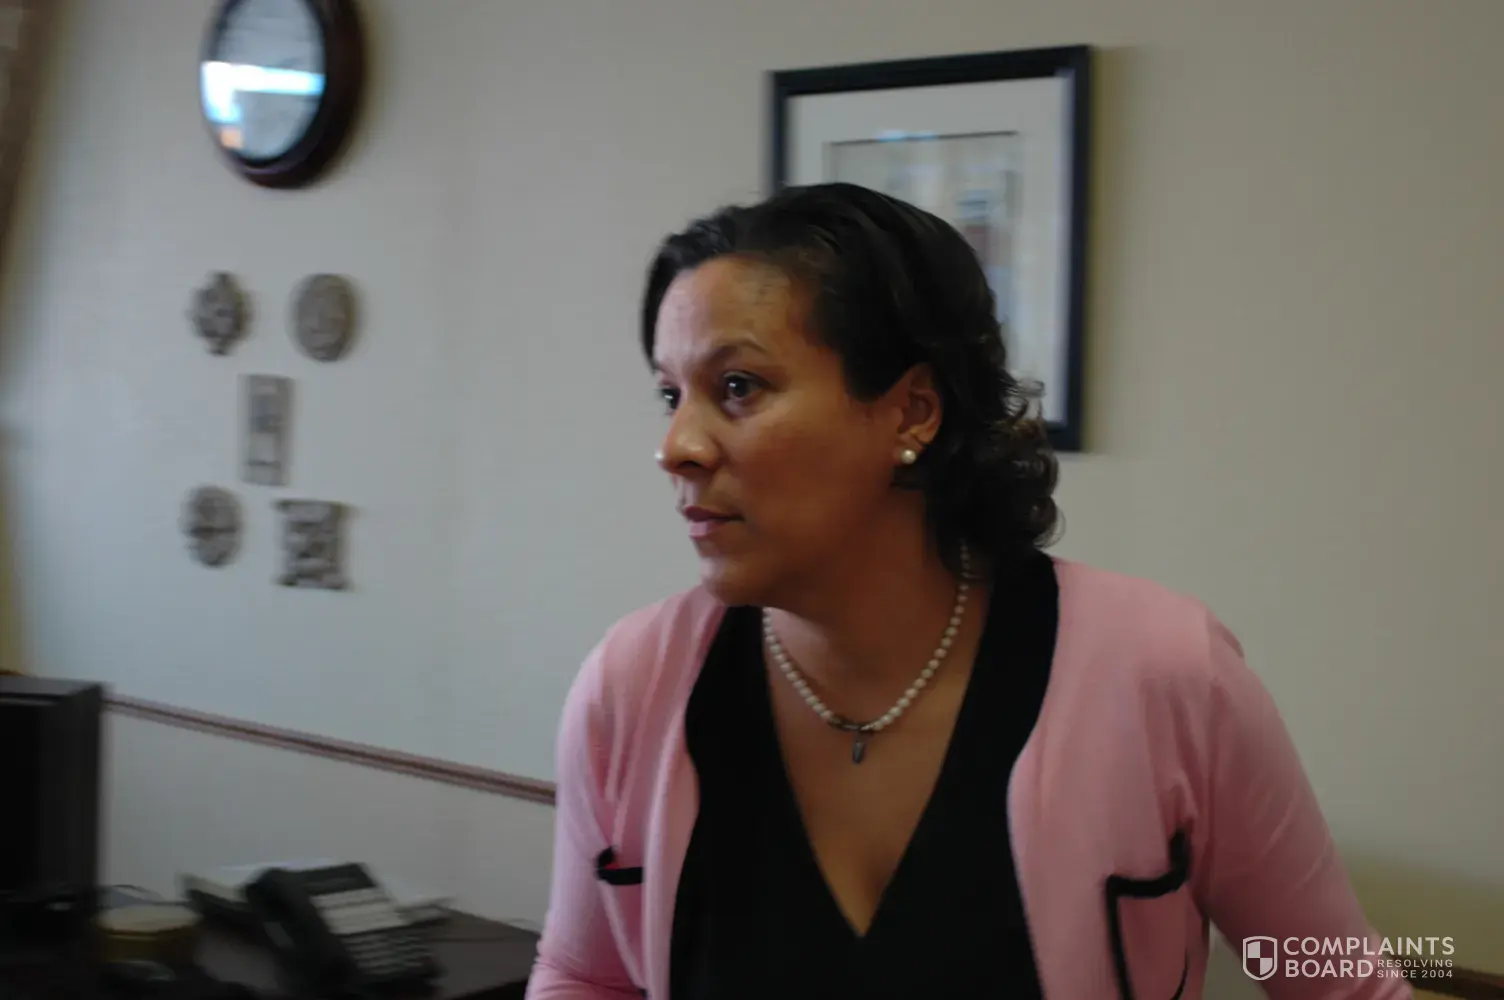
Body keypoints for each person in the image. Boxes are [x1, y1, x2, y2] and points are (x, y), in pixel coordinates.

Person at [525, 183, 1409, 999]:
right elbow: (582, 973)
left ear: (912, 412)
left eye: (737, 387)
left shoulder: (1165, 674)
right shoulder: (632, 688)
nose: (676, 445)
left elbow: (1339, 979)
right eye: (670, 394)